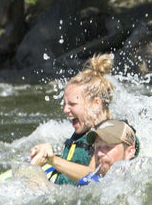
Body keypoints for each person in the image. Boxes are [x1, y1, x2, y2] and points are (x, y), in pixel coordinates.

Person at [29, 53, 115, 185]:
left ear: (96, 104)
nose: (65, 110)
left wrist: (52, 160)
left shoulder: (108, 136)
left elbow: (93, 175)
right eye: (65, 104)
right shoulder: (83, 132)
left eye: (72, 104)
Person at [77, 119, 139, 185]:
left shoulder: (140, 180)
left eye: (108, 147)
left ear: (129, 152)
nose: (99, 153)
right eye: (97, 147)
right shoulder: (88, 183)